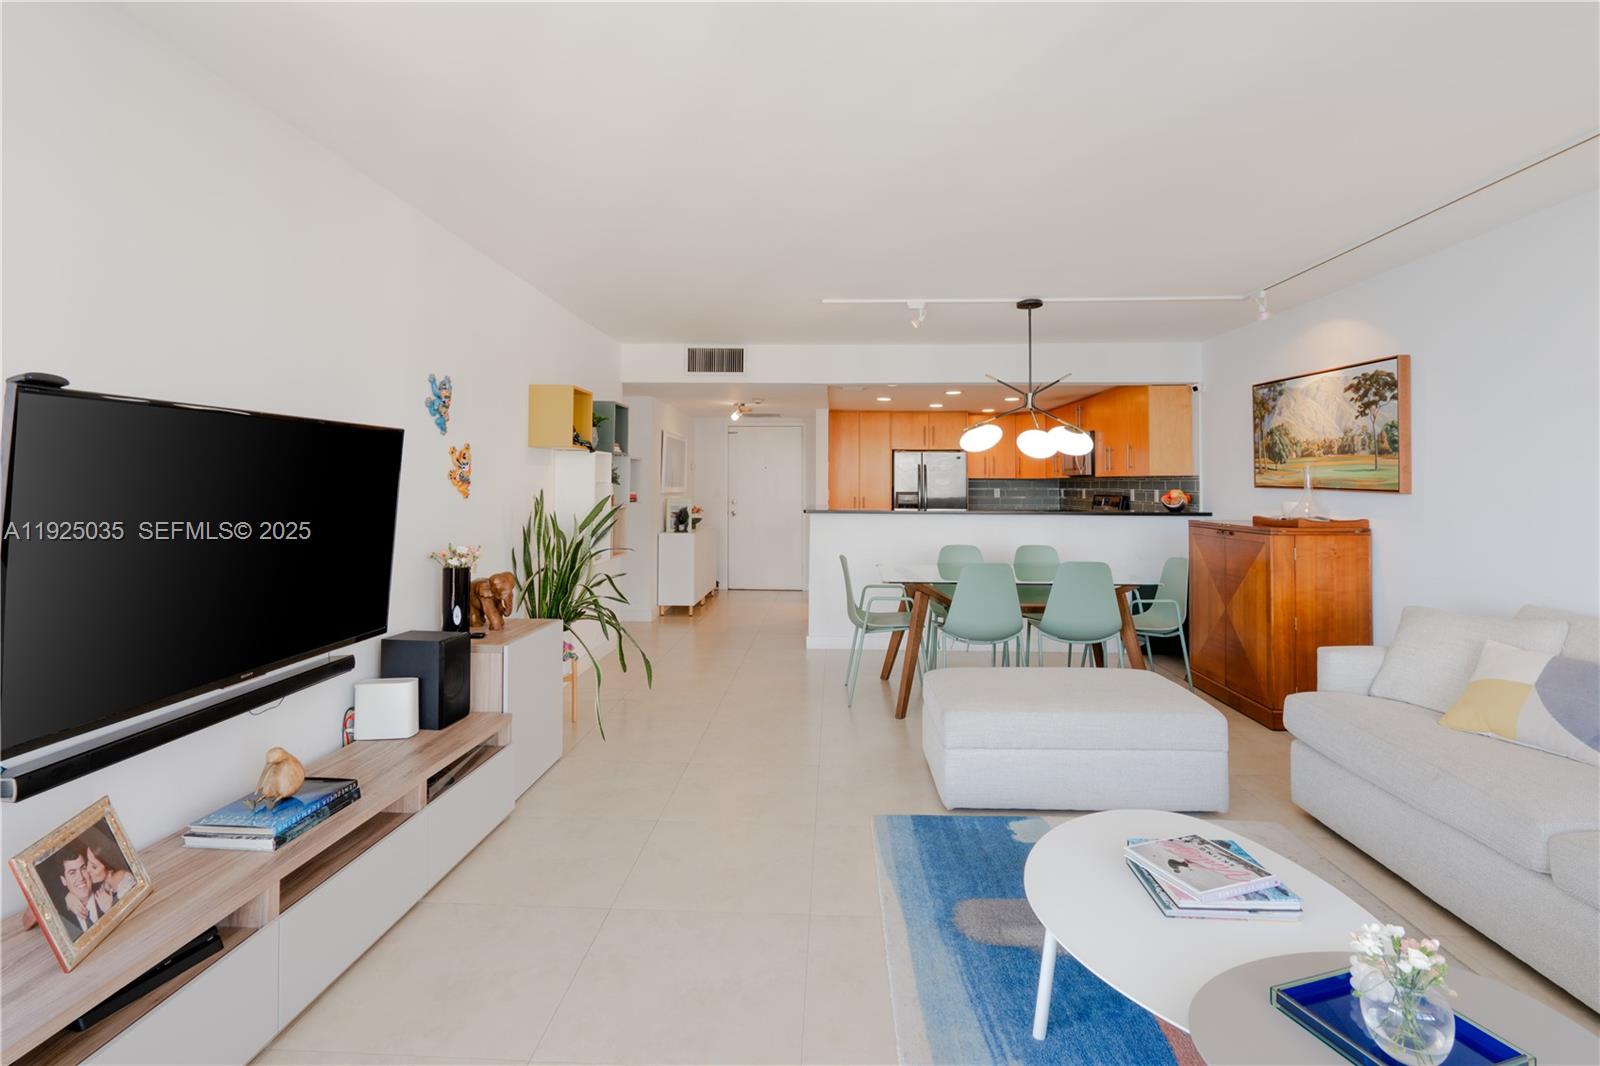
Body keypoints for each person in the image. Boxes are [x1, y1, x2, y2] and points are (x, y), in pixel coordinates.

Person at [53, 845, 102, 940]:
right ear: (64, 880)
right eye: (72, 872)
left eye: (83, 868)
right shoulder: (61, 919)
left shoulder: (108, 893)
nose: (80, 877)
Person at [83, 829, 136, 913]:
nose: (87, 870)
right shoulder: (101, 888)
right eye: (87, 862)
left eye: (94, 866)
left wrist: (108, 908)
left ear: (108, 866)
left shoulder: (126, 881)